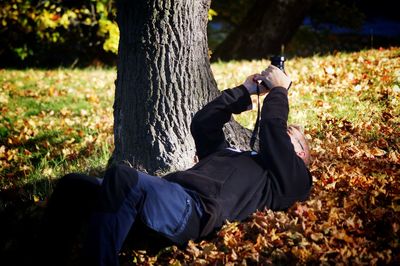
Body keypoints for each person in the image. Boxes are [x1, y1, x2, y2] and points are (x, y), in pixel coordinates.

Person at [40, 65, 312, 266]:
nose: (284, 134)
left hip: (191, 212)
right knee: (73, 185)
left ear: (300, 154)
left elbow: (271, 130)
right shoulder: (232, 154)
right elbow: (204, 122)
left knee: (122, 176)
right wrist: (245, 91)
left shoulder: (292, 178)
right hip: (160, 198)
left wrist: (279, 91)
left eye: (292, 136)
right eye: (286, 131)